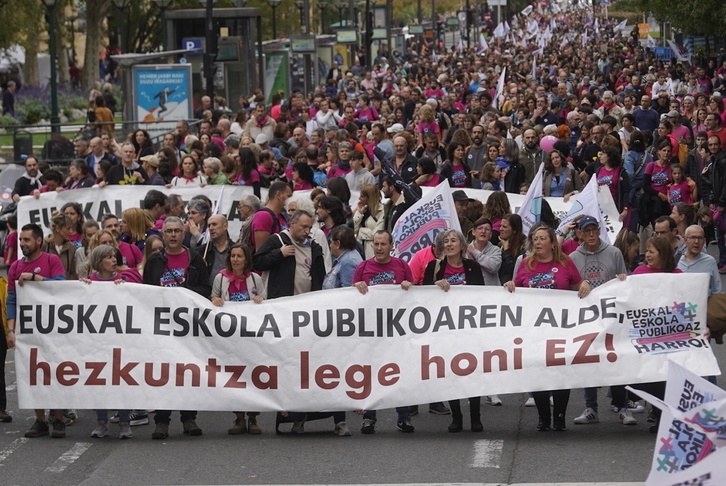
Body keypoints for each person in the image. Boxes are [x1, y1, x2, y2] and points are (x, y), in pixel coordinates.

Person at [504, 223, 591, 431]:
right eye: (535, 239)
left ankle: (559, 417)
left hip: (561, 328)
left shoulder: (565, 262)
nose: (538, 242)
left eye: (543, 238)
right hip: (535, 330)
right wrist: (510, 286)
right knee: (539, 372)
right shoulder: (526, 264)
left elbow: (577, 284)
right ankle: (543, 418)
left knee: (560, 373)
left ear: (553, 243)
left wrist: (585, 284)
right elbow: (517, 289)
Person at [143, 216, 210, 439]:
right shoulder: (154, 261)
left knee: (189, 372)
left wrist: (186, 293)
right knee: (164, 374)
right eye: (169, 231)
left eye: (177, 231)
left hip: (188, 327)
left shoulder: (195, 259)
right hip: (162, 328)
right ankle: (161, 421)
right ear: (163, 234)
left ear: (184, 234)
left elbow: (206, 289)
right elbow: (145, 292)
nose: (172, 235)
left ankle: (189, 418)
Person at [568, 216, 636, 426]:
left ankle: (622, 406)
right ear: (579, 233)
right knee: (589, 360)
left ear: (599, 230)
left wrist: (623, 279)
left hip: (611, 316)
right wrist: (578, 287)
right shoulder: (572, 257)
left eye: (593, 230)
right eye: (585, 231)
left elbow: (622, 279)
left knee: (615, 359)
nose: (590, 234)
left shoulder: (614, 253)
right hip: (587, 317)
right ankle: (591, 407)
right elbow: (570, 284)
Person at [422, 229, 485, 433]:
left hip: (469, 329)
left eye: (453, 241)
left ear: (462, 245)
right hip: (444, 329)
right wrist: (434, 285)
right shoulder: (434, 267)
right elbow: (422, 297)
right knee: (450, 372)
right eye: (446, 241)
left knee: (472, 372)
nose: (449, 244)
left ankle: (475, 416)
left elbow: (483, 297)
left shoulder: (472, 267)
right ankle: (456, 416)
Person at [6, 224, 66, 437]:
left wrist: (35, 278)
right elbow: (12, 299)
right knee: (33, 373)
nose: (22, 244)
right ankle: (40, 420)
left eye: (27, 240)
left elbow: (61, 286)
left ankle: (58, 418)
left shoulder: (52, 261)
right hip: (29, 330)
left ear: (38, 241)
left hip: (54, 328)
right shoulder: (15, 267)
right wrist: (11, 330)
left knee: (56, 371)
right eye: (21, 240)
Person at [352, 230, 415, 434]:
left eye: (382, 244)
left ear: (391, 246)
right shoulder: (363, 267)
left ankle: (403, 417)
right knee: (371, 373)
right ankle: (369, 418)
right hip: (371, 331)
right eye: (376, 244)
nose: (378, 248)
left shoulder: (402, 266)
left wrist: (409, 285)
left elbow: (415, 295)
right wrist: (356, 286)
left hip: (397, 330)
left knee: (400, 372)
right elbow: (349, 297)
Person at [210, 243, 265, 436]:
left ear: (246, 259)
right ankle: (239, 417)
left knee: (252, 374)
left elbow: (266, 302)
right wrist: (215, 301)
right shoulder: (221, 278)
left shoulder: (255, 279)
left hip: (250, 335)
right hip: (230, 336)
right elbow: (212, 299)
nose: (235, 259)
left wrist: (260, 301)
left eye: (239, 256)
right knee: (235, 376)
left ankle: (253, 417)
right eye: (232, 256)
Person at [80, 245, 134, 439]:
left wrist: (126, 288)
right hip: (98, 342)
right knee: (99, 381)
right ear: (98, 261)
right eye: (109, 257)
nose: (114, 260)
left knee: (123, 381)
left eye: (114, 256)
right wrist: (81, 288)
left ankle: (125, 422)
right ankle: (101, 422)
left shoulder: (124, 280)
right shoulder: (89, 282)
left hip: (121, 340)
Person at [252, 210, 325, 299]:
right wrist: (279, 253)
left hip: (306, 304)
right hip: (281, 303)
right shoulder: (277, 240)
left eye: (310, 228)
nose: (307, 231)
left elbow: (320, 276)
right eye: (304, 227)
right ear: (292, 224)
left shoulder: (314, 247)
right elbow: (257, 263)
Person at [677, 225, 722, 295]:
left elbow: (717, 290)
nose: (697, 241)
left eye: (700, 238)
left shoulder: (710, 261)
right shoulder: (677, 261)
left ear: (704, 241)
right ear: (685, 240)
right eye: (693, 238)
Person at [250, 181, 291, 251]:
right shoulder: (263, 216)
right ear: (279, 195)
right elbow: (261, 252)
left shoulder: (280, 216)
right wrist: (280, 253)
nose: (291, 200)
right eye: (288, 196)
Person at [352, 184, 385, 259]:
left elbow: (376, 234)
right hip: (359, 250)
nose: (359, 198)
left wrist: (361, 230)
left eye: (362, 196)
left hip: (372, 252)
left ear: (370, 197)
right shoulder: (362, 210)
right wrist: (359, 213)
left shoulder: (382, 211)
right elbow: (353, 230)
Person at [467, 217, 502, 285]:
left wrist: (475, 252)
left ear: (491, 234)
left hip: (490, 292)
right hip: (471, 291)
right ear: (473, 232)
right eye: (480, 228)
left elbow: (493, 267)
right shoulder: (465, 250)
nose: (483, 231)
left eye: (487, 229)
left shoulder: (496, 250)